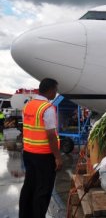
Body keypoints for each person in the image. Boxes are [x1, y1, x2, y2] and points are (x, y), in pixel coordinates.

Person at [19, 78, 62, 218]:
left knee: (29, 186)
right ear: (49, 91)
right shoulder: (47, 108)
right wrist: (57, 157)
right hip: (44, 156)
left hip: (28, 153)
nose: (55, 94)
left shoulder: (28, 106)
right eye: (55, 91)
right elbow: (50, 135)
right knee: (43, 190)